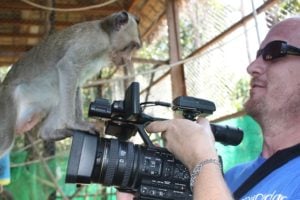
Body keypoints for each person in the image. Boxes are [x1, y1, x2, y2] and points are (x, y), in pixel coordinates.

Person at [117, 17, 300, 199]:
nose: (252, 67)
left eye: (274, 52)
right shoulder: (228, 178)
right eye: (258, 55)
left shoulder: (207, 170)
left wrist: (201, 160)